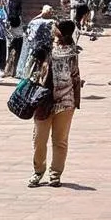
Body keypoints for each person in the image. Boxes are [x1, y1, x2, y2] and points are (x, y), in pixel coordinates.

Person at [29, 21, 82, 188]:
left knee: (60, 141)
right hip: (43, 101)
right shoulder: (46, 47)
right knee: (39, 139)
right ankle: (38, 171)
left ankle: (55, 174)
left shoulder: (71, 51)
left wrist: (76, 101)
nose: (53, 28)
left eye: (56, 27)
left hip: (65, 102)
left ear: (62, 32)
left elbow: (75, 76)